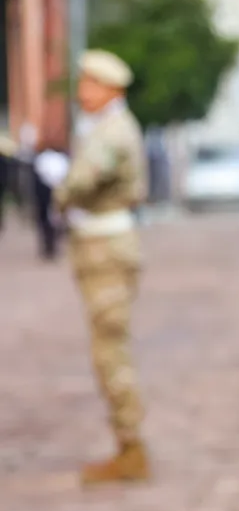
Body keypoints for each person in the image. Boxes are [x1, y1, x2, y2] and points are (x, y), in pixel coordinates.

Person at [55, 49, 149, 484]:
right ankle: (127, 443)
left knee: (110, 351)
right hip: (100, 244)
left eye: (90, 84)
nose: (82, 92)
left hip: (106, 247)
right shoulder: (103, 127)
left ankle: (130, 447)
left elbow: (80, 182)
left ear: (111, 89)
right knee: (106, 348)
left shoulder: (111, 132)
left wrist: (58, 186)